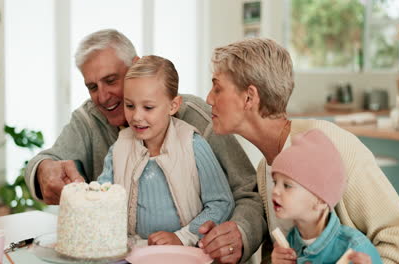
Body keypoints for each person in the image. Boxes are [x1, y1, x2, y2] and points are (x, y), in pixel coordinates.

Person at [24, 29, 267, 263]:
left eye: (111, 80)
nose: (103, 96)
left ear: (135, 66)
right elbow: (47, 161)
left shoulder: (194, 122)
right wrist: (43, 170)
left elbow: (248, 192)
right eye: (92, 87)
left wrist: (241, 232)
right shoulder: (89, 121)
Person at [203, 37, 399, 263]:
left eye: (217, 88)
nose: (209, 98)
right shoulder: (265, 171)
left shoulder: (332, 146)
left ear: (249, 97)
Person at [96, 55, 234, 246]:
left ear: (173, 106)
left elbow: (221, 203)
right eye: (129, 105)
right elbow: (101, 197)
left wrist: (182, 237)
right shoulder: (119, 148)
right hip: (132, 252)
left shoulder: (193, 144)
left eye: (148, 107)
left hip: (184, 252)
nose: (136, 116)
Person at [271, 129, 381, 264]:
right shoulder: (290, 242)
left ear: (321, 200)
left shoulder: (356, 248)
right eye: (275, 182)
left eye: (287, 185)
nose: (275, 190)